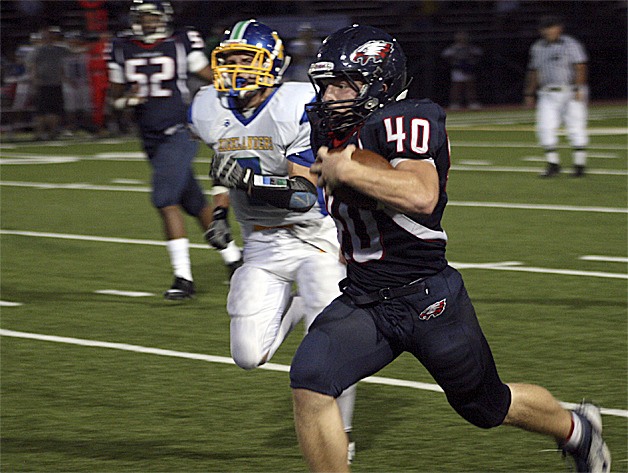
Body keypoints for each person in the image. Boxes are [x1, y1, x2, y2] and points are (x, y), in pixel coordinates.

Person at [289, 24, 611, 473]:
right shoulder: (333, 135)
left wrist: (351, 173)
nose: (331, 98)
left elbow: (420, 194)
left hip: (428, 297)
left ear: (381, 86)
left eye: (345, 85)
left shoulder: (404, 119)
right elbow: (308, 187)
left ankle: (576, 429)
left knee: (486, 406)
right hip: (364, 299)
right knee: (310, 382)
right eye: (326, 86)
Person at [188, 19, 357, 463]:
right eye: (230, 60)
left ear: (273, 65)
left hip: (315, 237)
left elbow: (304, 195)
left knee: (334, 343)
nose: (237, 68)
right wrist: (221, 209)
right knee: (247, 355)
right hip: (261, 243)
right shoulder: (209, 106)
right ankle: (296, 306)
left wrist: (246, 179)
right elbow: (224, 160)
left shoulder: (297, 102)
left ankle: (343, 430)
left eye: (248, 59)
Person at [106, 0, 242, 300]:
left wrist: (240, 87)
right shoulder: (120, 46)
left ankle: (183, 278)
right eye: (142, 17)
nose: (146, 22)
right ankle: (234, 259)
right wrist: (127, 101)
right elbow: (113, 99)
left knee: (164, 198)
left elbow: (212, 76)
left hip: (179, 131)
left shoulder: (181, 41)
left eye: (152, 17)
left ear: (164, 18)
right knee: (192, 201)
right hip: (149, 137)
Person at [524, 15, 589, 178]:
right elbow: (534, 71)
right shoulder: (537, 47)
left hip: (569, 90)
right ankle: (553, 163)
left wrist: (578, 87)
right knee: (545, 127)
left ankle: (579, 164)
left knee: (575, 126)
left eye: (552, 27)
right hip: (547, 92)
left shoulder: (570, 44)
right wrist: (530, 92)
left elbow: (580, 66)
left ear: (559, 28)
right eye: (546, 28)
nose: (550, 31)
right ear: (541, 30)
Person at [30, 26, 70, 140]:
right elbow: (33, 66)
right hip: (42, 83)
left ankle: (52, 133)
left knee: (54, 110)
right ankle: (39, 133)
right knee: (40, 110)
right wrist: (34, 80)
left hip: (55, 83)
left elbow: (72, 53)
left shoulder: (60, 49)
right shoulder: (38, 50)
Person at [441, 30, 482, 110]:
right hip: (458, 69)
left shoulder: (470, 47)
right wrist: (455, 63)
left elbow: (478, 53)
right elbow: (445, 55)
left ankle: (472, 102)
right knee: (457, 87)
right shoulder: (454, 48)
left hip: (468, 69)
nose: (462, 38)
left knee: (470, 86)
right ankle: (455, 103)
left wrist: (470, 63)